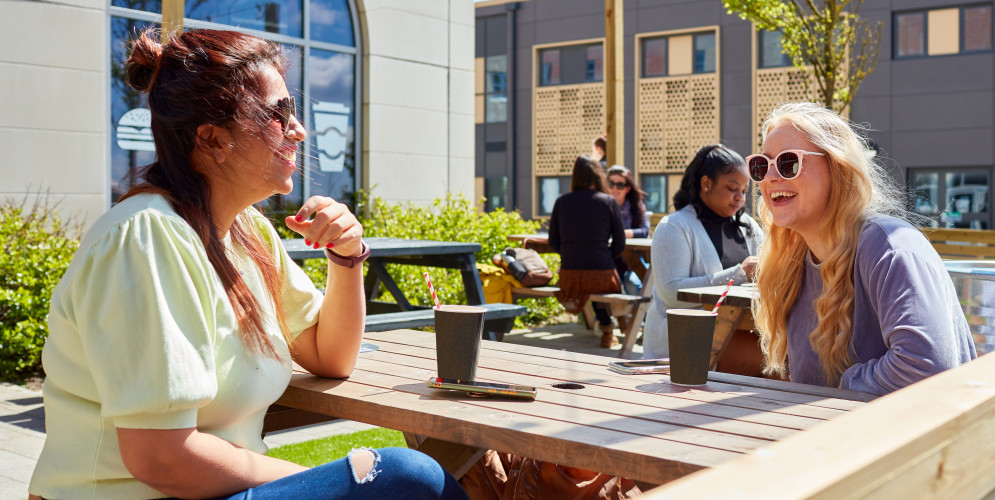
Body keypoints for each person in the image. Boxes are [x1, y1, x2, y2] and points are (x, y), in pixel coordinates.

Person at [28, 29, 466, 500]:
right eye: (278, 114)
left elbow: (329, 356)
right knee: (404, 477)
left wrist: (346, 258)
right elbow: (161, 458)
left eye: (293, 111)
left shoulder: (246, 232)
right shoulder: (147, 238)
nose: (298, 130)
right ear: (212, 139)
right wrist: (304, 477)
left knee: (410, 480)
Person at [750, 102, 977, 396]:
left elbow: (926, 366)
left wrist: (845, 385)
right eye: (761, 165)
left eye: (787, 162)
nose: (769, 178)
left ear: (837, 167)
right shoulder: (790, 264)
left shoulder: (890, 248)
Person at [642, 145, 763, 360]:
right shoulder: (674, 227)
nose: (740, 198)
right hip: (680, 353)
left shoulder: (748, 226)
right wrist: (739, 274)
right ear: (706, 183)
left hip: (739, 344)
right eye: (732, 188)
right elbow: (672, 292)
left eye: (744, 191)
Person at [548, 155, 625, 348]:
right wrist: (605, 257)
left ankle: (612, 327)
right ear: (598, 176)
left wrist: (570, 255)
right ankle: (613, 329)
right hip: (601, 272)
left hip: (569, 276)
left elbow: (553, 242)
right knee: (607, 283)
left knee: (589, 282)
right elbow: (620, 243)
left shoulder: (562, 201)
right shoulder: (608, 202)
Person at [605, 165, 650, 295]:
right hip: (608, 261)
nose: (614, 188)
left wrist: (622, 233)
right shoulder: (601, 205)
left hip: (632, 261)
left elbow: (644, 231)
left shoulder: (636, 206)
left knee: (633, 284)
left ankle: (638, 316)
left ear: (627, 188)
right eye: (611, 184)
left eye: (620, 185)